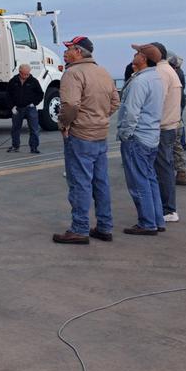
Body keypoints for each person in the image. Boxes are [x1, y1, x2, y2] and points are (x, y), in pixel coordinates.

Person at [52, 36, 119, 245]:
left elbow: (70, 105)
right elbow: (115, 101)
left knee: (80, 182)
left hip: (80, 135)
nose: (65, 52)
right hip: (100, 133)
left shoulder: (73, 73)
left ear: (79, 52)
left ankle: (80, 228)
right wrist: (99, 117)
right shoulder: (103, 72)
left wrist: (64, 124)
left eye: (69, 48)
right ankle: (105, 226)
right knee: (101, 182)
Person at [116, 46, 165, 236]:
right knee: (150, 178)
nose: (134, 55)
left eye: (137, 53)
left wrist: (125, 134)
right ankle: (157, 219)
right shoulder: (156, 78)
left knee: (138, 182)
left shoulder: (140, 81)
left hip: (138, 137)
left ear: (143, 58)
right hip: (152, 135)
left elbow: (131, 111)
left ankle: (147, 222)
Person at [135, 42, 181, 223]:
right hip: (170, 125)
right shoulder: (169, 70)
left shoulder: (160, 73)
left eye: (140, 53)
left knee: (162, 169)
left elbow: (154, 102)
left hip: (160, 127)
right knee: (164, 167)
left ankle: (168, 209)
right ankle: (166, 207)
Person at [6, 63, 44, 153]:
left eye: (28, 74)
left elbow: (40, 94)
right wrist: (12, 107)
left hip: (30, 108)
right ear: (20, 72)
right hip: (17, 108)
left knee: (34, 128)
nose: (26, 76)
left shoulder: (33, 81)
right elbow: (8, 95)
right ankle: (15, 146)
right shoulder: (13, 81)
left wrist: (34, 103)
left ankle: (34, 147)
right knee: (15, 128)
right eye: (24, 74)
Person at [168, 53, 186, 186]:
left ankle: (167, 174)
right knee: (177, 144)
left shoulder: (167, 74)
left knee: (168, 145)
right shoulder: (179, 72)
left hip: (169, 114)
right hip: (178, 109)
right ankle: (181, 172)